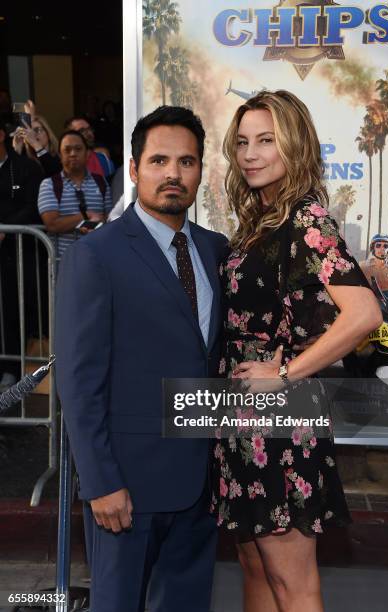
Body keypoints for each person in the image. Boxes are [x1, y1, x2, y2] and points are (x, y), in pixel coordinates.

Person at [210, 90, 382, 612]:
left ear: (295, 145)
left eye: (266, 141)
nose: (250, 154)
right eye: (242, 142)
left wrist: (285, 373)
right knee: (256, 567)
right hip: (244, 415)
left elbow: (366, 313)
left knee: (291, 581)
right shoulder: (262, 219)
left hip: (280, 418)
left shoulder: (306, 221)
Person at [55, 106, 227, 612]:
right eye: (158, 161)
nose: (173, 173)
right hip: (125, 489)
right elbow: (78, 380)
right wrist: (101, 481)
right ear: (133, 170)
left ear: (200, 171)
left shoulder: (216, 251)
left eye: (187, 162)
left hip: (200, 485)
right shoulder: (97, 254)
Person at [0, 117, 44, 390]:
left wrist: (6, 228)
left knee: (13, 311)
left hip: (18, 253)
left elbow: (34, 205)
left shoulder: (26, 168)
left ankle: (11, 369)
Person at [37, 130, 112, 258]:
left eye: (78, 149)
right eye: (67, 150)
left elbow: (110, 219)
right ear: (60, 155)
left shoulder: (101, 182)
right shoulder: (49, 184)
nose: (73, 154)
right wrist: (85, 217)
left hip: (97, 259)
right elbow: (52, 224)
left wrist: (98, 223)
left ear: (88, 154)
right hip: (63, 262)